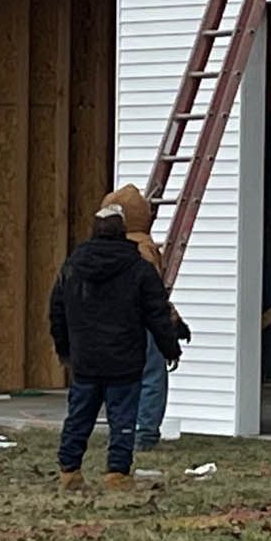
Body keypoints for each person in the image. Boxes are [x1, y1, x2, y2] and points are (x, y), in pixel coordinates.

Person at [49, 203, 181, 491]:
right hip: (124, 360)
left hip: (86, 359)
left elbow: (57, 310)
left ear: (94, 230)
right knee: (122, 419)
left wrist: (64, 350)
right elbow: (157, 314)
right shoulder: (138, 269)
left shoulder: (73, 266)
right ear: (123, 232)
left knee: (79, 416)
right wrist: (170, 348)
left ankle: (69, 471)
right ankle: (117, 475)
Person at [101, 183, 192, 453]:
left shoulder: (105, 248)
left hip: (115, 324)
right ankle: (145, 433)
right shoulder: (144, 249)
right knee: (152, 376)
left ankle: (122, 430)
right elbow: (153, 295)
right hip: (143, 323)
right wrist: (172, 323)